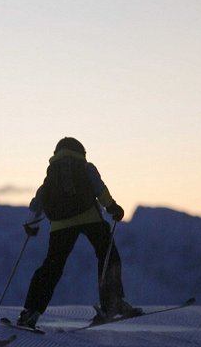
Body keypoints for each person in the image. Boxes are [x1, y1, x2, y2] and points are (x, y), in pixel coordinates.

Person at [17, 137, 141, 328]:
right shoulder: (85, 167)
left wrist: (31, 223)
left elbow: (39, 198)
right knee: (108, 255)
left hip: (60, 225)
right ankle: (112, 303)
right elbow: (99, 188)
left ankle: (30, 312)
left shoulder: (52, 174)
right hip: (89, 217)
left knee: (52, 266)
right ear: (81, 152)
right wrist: (112, 207)